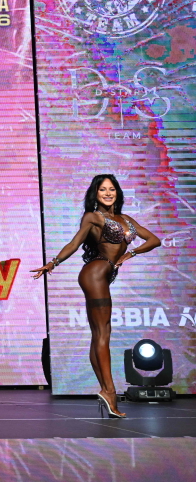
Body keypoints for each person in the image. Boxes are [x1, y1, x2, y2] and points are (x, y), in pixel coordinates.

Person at [32, 174, 160, 418]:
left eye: (112, 189)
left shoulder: (126, 219)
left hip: (105, 275)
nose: (108, 193)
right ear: (96, 194)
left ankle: (106, 390)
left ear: (117, 192)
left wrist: (131, 254)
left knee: (100, 334)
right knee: (102, 334)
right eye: (103, 190)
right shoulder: (93, 217)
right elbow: (74, 243)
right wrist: (53, 263)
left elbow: (154, 240)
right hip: (95, 274)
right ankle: (110, 392)